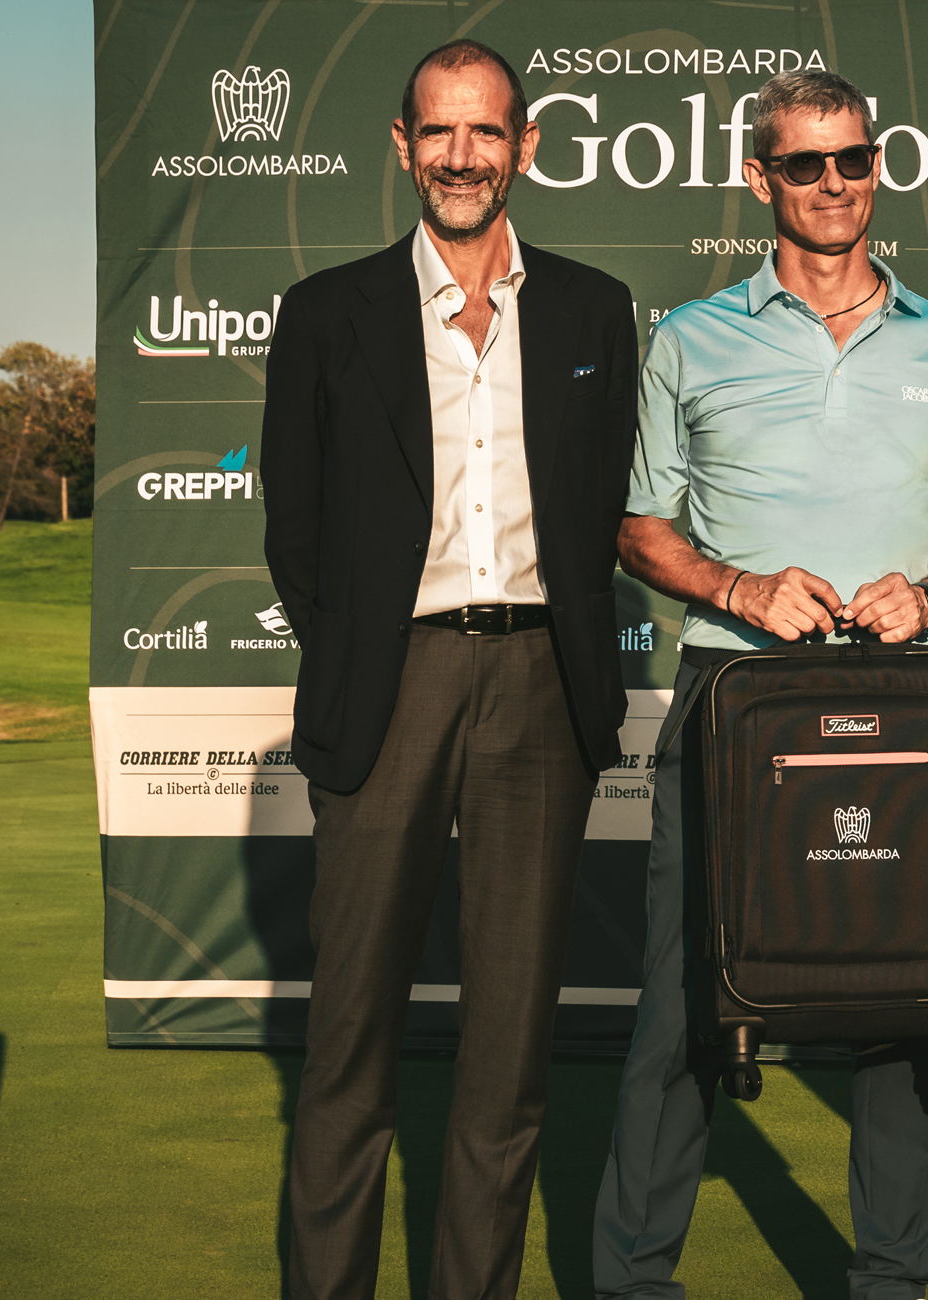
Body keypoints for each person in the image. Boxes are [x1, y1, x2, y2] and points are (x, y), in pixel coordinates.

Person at [591, 69, 928, 1300]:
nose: (835, 183)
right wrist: (736, 586)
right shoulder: (691, 336)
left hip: (901, 708)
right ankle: (633, 1282)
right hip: (730, 702)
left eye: (855, 159)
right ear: (759, 177)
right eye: (805, 163)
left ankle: (891, 1281)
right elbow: (638, 528)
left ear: (876, 166)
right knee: (684, 995)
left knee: (898, 996)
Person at [260, 40, 637, 1300]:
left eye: (485, 133)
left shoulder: (593, 309)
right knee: (348, 1043)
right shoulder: (328, 312)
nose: (461, 156)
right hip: (391, 688)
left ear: (525, 147)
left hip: (541, 690)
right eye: (439, 131)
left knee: (508, 1054)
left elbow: (603, 509)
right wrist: (361, 656)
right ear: (403, 146)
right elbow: (295, 532)